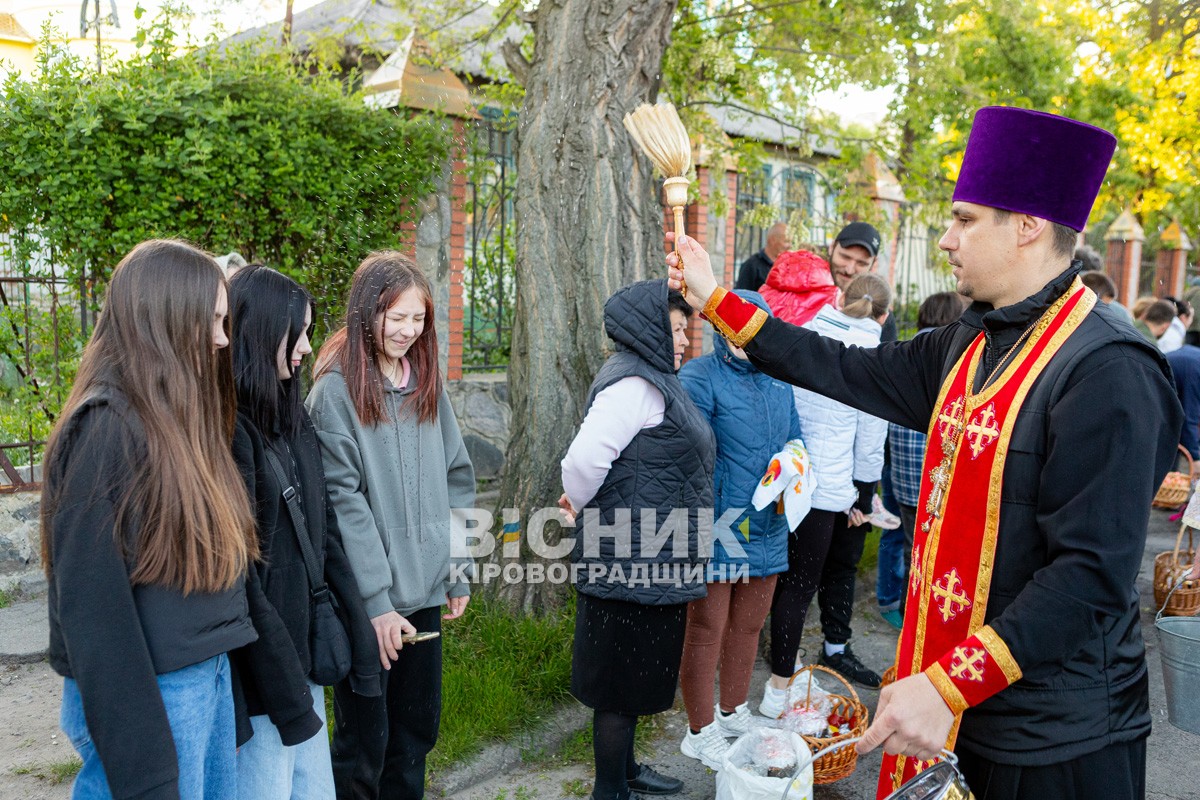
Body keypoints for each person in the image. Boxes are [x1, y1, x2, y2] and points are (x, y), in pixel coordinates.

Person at [666, 106, 1182, 800]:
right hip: (942, 703)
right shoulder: (968, 341)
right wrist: (717, 300)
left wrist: (948, 684)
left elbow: (1089, 575)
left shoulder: (1110, 369)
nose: (945, 239)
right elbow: (842, 368)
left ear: (1027, 224)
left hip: (1054, 738)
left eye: (965, 219)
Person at [41, 239, 261, 799]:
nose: (221, 338)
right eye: (211, 320)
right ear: (166, 319)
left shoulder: (170, 418)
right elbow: (92, 611)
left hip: (199, 674)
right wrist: (142, 760)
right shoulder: (105, 427)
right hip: (153, 691)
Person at [307, 252, 475, 800]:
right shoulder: (334, 393)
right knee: (365, 745)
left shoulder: (426, 382)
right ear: (365, 313)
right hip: (369, 605)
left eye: (418, 318)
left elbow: (458, 477)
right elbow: (342, 502)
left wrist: (458, 569)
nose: (408, 331)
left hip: (425, 592)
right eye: (395, 317)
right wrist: (376, 603)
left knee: (415, 735)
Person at [228, 265, 381, 799]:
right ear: (263, 330)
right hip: (266, 675)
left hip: (307, 658)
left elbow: (327, 537)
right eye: (299, 333)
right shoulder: (231, 434)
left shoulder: (294, 421)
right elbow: (241, 576)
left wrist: (359, 631)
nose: (307, 348)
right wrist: (283, 681)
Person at [559, 282, 714, 800]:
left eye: (685, 330)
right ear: (648, 330)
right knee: (619, 690)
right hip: (632, 559)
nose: (684, 341)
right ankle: (610, 791)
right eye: (675, 330)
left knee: (627, 682)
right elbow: (582, 461)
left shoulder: (650, 379)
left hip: (649, 557)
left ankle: (624, 773)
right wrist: (581, 504)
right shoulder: (634, 386)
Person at [676, 290, 801, 768]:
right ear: (720, 329)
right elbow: (690, 457)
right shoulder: (698, 378)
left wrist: (795, 461)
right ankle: (699, 729)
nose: (742, 337)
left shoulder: (779, 381)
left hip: (768, 524)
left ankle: (731, 712)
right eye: (733, 326)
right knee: (707, 629)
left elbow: (796, 437)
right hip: (721, 524)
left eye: (752, 326)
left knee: (749, 626)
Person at [761, 273, 892, 711]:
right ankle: (784, 686)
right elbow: (872, 435)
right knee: (832, 574)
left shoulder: (809, 332)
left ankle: (784, 672)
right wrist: (864, 494)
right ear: (885, 314)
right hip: (839, 487)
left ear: (838, 298)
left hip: (796, 478)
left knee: (793, 584)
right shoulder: (877, 354)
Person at [876, 292, 967, 630]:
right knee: (924, 550)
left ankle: (888, 600)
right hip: (930, 480)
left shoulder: (905, 350)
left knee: (893, 536)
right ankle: (916, 613)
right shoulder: (951, 357)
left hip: (897, 470)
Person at [1166, 342, 1200, 460]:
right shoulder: (1196, 372)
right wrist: (1195, 458)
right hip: (1159, 400)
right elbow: (1189, 418)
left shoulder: (1195, 358)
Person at [734, 222, 790, 291]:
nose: (789, 246)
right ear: (773, 240)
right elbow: (741, 298)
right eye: (786, 241)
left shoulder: (787, 266)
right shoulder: (751, 265)